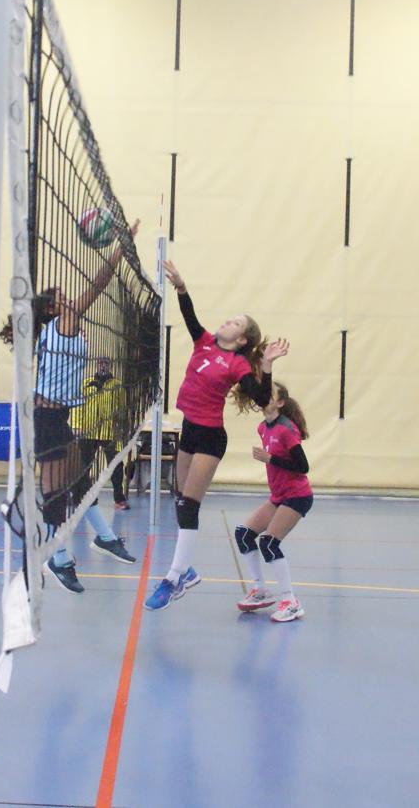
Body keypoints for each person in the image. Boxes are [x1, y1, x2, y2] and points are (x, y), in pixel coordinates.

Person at [0, 222, 141, 594]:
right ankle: (59, 558)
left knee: (78, 484)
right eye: (62, 297)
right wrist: (117, 253)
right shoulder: (64, 324)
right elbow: (95, 288)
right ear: (53, 308)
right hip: (45, 418)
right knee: (56, 496)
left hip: (56, 416)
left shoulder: (63, 332)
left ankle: (104, 537)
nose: (69, 300)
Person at [144, 259, 284, 611]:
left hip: (210, 437)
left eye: (235, 322)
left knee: (190, 505)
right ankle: (186, 571)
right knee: (179, 500)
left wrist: (265, 367)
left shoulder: (237, 364)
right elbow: (189, 316)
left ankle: (174, 576)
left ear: (241, 339)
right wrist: (181, 286)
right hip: (188, 429)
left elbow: (263, 398)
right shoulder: (204, 342)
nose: (227, 321)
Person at [234, 382, 312, 623]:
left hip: (297, 495)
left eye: (271, 394)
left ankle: (291, 601)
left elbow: (303, 467)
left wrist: (271, 459)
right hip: (278, 496)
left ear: (279, 403)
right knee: (243, 534)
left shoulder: (287, 430)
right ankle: (260, 590)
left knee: (268, 543)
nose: (264, 396)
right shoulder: (262, 427)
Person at [72, 356, 129, 511]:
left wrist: (121, 426)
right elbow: (78, 406)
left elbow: (122, 408)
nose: (103, 366)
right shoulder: (86, 383)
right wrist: (77, 426)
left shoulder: (117, 385)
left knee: (116, 465)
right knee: (84, 466)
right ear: (96, 366)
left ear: (110, 366)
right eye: (100, 364)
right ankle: (78, 497)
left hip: (109, 432)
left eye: (105, 364)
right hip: (88, 431)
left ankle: (119, 499)